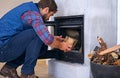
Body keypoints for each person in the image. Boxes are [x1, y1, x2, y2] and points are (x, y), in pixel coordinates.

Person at [0, 0, 72, 78]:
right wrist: (61, 45)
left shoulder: (31, 10)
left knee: (42, 45)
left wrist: (53, 38)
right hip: (2, 49)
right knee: (37, 34)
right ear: (46, 9)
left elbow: (32, 35)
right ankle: (27, 73)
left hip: (6, 46)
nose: (48, 18)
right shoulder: (33, 14)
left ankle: (9, 68)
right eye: (50, 15)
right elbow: (43, 36)